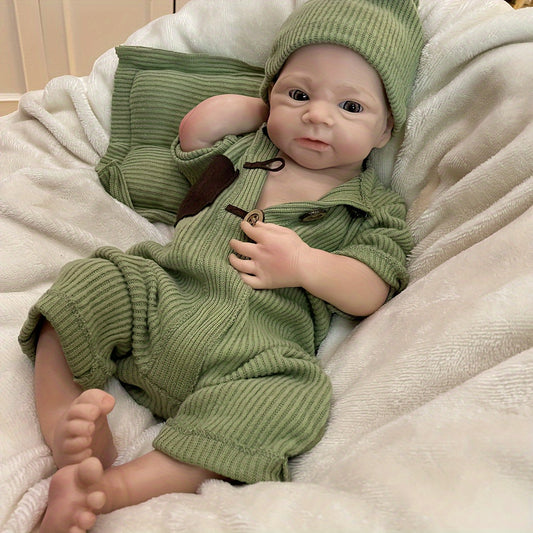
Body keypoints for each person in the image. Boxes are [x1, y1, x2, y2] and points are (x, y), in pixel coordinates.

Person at [18, 0, 423, 530]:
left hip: (255, 351)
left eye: (351, 107)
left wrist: (306, 265)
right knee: (91, 281)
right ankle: (69, 433)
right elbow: (196, 128)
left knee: (292, 399)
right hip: (164, 296)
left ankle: (110, 488)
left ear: (386, 129)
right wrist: (267, 108)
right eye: (299, 93)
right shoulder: (248, 149)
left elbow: (371, 289)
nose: (318, 116)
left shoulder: (374, 207)